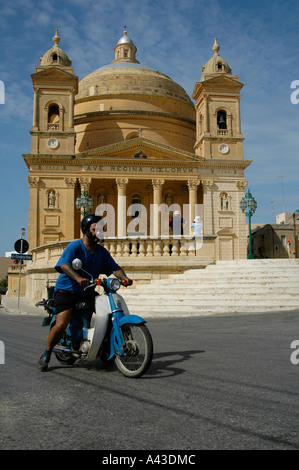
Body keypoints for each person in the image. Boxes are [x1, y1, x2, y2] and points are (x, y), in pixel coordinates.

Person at [37, 213, 132, 371]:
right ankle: (46, 354)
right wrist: (77, 277)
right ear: (86, 230)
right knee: (61, 324)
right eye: (95, 229)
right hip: (67, 290)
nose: (98, 233)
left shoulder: (101, 251)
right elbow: (64, 265)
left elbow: (114, 268)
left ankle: (105, 347)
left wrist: (124, 278)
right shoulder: (75, 246)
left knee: (107, 311)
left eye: (101, 229)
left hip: (87, 291)